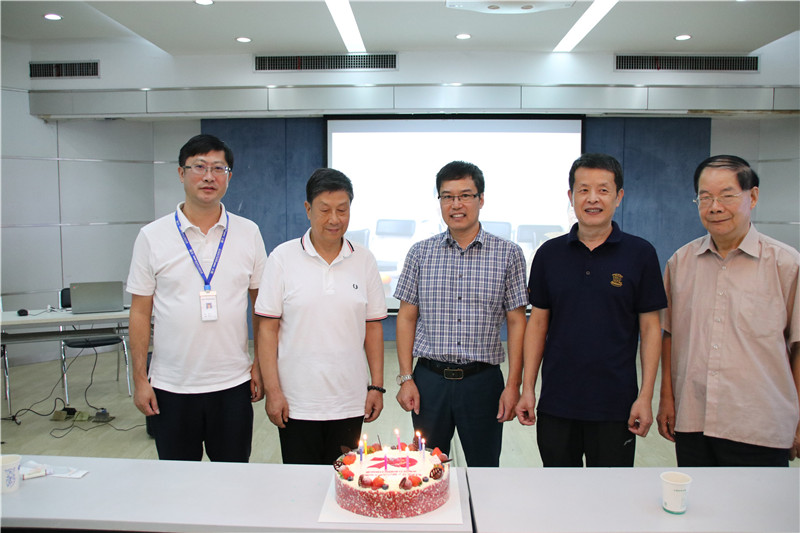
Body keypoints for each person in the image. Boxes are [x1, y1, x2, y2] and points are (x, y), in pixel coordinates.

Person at [515, 153, 666, 467]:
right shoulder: (549, 254)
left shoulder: (641, 254)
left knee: (611, 492)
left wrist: (645, 396)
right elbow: (538, 324)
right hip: (557, 403)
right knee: (559, 488)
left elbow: (651, 329)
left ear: (618, 196)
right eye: (583, 190)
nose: (592, 198)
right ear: (571, 196)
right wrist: (528, 388)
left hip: (616, 405)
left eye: (603, 190)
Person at [127, 134, 267, 462]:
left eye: (219, 168)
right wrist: (140, 378)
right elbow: (140, 312)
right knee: (178, 484)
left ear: (229, 176)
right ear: (181, 173)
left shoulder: (248, 232)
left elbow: (262, 308)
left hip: (233, 385)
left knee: (233, 479)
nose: (209, 176)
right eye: (199, 167)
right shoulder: (152, 236)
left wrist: (260, 366)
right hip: (171, 387)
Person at [657, 154, 800, 466]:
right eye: (705, 197)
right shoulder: (680, 263)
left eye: (727, 195)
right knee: (696, 498)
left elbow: (798, 346)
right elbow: (669, 336)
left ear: (753, 197)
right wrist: (667, 398)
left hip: (759, 424)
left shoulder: (786, 264)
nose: (715, 207)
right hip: (693, 419)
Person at [394, 160, 528, 467]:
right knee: (427, 470)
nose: (456, 204)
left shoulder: (508, 254)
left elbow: (517, 322)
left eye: (465, 195)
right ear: (440, 201)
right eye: (447, 196)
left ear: (481, 199)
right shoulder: (420, 253)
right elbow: (406, 317)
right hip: (429, 382)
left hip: (482, 383)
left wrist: (513, 385)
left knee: (485, 469)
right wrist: (406, 378)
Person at [255, 168, 387, 465]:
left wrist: (376, 386)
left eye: (342, 210)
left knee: (346, 482)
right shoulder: (282, 258)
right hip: (296, 402)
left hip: (349, 400)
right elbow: (267, 330)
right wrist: (273, 391)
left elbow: (374, 328)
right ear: (308, 209)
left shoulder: (364, 259)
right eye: (325, 210)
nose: (334, 219)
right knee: (300, 485)